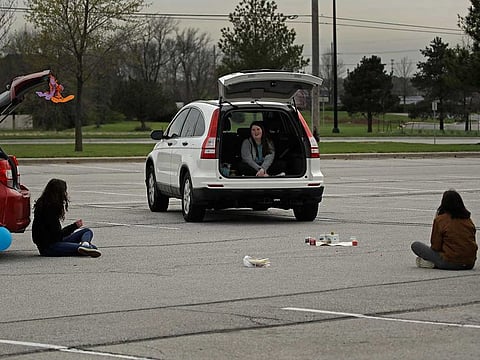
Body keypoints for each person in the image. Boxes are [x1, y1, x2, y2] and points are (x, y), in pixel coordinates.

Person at [32, 178, 101, 257]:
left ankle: (85, 245)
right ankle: (85, 247)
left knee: (87, 231)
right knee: (93, 248)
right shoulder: (49, 211)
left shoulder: (44, 204)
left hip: (54, 242)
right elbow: (57, 235)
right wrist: (74, 226)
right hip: (50, 247)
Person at [411, 189, 477, 270]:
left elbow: (435, 246)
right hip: (470, 263)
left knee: (416, 245)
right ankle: (435, 263)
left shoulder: (441, 220)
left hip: (450, 262)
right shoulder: (467, 219)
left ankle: (434, 263)